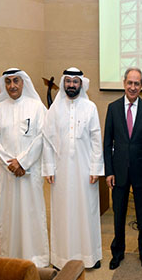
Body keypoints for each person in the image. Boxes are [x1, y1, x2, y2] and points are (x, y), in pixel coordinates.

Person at [42, 67, 104, 269]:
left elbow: (96, 139)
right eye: (67, 81)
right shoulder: (55, 109)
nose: (71, 85)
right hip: (61, 172)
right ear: (63, 83)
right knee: (63, 214)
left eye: (75, 82)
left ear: (81, 84)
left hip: (85, 172)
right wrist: (49, 168)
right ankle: (62, 258)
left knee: (87, 213)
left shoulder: (90, 107)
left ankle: (89, 256)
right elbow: (47, 141)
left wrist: (95, 168)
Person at [0, 68, 49, 267]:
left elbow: (42, 136)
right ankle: (10, 257)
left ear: (23, 82)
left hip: (30, 173)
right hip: (7, 174)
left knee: (32, 212)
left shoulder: (36, 107)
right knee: (8, 215)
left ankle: (36, 258)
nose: (12, 85)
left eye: (16, 81)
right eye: (8, 82)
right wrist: (11, 164)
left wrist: (22, 162)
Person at [104, 68, 142, 270]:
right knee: (118, 214)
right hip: (118, 172)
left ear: (141, 86)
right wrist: (109, 171)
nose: (133, 87)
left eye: (137, 84)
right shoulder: (113, 108)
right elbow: (107, 142)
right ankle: (118, 252)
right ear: (124, 83)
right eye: (130, 83)